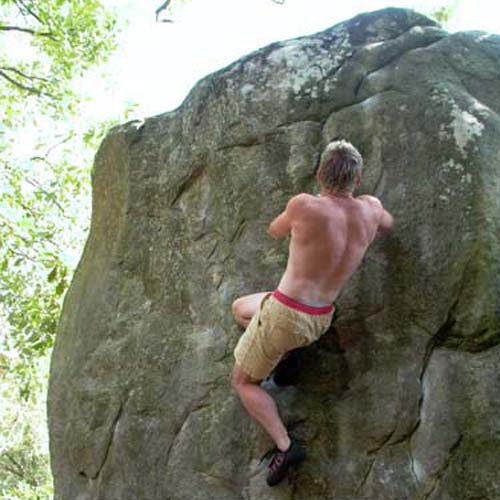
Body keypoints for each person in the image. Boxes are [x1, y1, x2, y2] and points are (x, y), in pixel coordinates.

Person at [230, 139, 394, 487]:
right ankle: (287, 352)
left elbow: (275, 229)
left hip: (285, 314)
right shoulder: (372, 210)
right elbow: (388, 223)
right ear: (359, 178)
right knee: (241, 308)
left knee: (243, 383)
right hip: (320, 318)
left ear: (319, 174)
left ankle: (286, 447)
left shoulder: (304, 205)